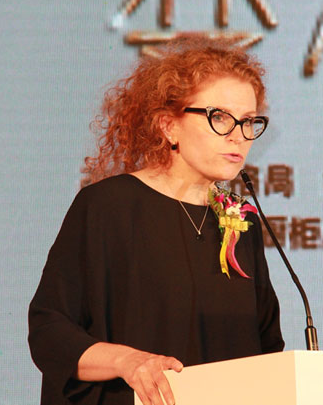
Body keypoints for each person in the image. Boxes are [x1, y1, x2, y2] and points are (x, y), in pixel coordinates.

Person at [28, 38, 284, 405]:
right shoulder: (109, 207)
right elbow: (50, 332)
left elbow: (267, 349)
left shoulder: (241, 223)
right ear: (168, 126)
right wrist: (127, 362)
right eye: (220, 118)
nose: (238, 136)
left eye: (248, 121)